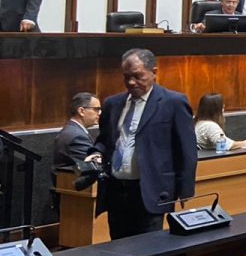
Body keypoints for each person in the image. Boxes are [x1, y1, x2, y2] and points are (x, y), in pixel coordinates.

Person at [86, 49, 198, 238]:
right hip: (117, 191)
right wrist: (96, 152)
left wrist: (184, 190)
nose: (131, 82)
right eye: (127, 77)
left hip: (151, 190)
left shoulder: (173, 103)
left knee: (147, 249)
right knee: (118, 248)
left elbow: (186, 150)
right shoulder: (113, 104)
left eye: (138, 76)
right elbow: (105, 140)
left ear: (154, 72)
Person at [53, 92, 100, 171]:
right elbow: (94, 166)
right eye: (96, 109)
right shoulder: (77, 137)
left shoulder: (71, 130)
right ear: (81, 111)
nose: (99, 113)